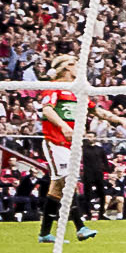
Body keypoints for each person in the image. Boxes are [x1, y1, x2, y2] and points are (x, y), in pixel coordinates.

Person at [33, 81, 93, 243]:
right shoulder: (55, 88)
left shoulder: (78, 92)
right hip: (56, 143)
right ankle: (80, 227)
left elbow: (96, 109)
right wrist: (64, 126)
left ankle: (45, 233)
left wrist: (120, 120)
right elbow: (46, 109)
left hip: (69, 145)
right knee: (68, 183)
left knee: (56, 191)